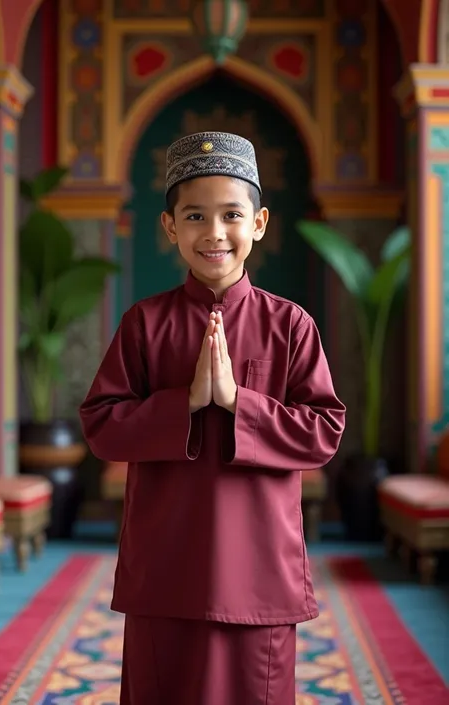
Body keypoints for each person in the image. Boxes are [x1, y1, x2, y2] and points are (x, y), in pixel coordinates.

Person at [79, 131, 346, 705]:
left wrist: (236, 402)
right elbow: (101, 425)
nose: (215, 233)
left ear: (260, 223)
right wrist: (187, 401)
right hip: (166, 562)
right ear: (171, 227)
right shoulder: (144, 324)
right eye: (196, 216)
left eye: (231, 215)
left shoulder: (291, 325)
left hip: (259, 568)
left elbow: (324, 431)